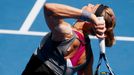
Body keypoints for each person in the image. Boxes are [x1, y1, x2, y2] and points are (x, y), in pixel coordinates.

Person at [22, 3, 116, 75]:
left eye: (92, 7)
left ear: (92, 20)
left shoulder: (67, 34)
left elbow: (49, 9)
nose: (89, 4)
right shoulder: (88, 56)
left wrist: (89, 16)